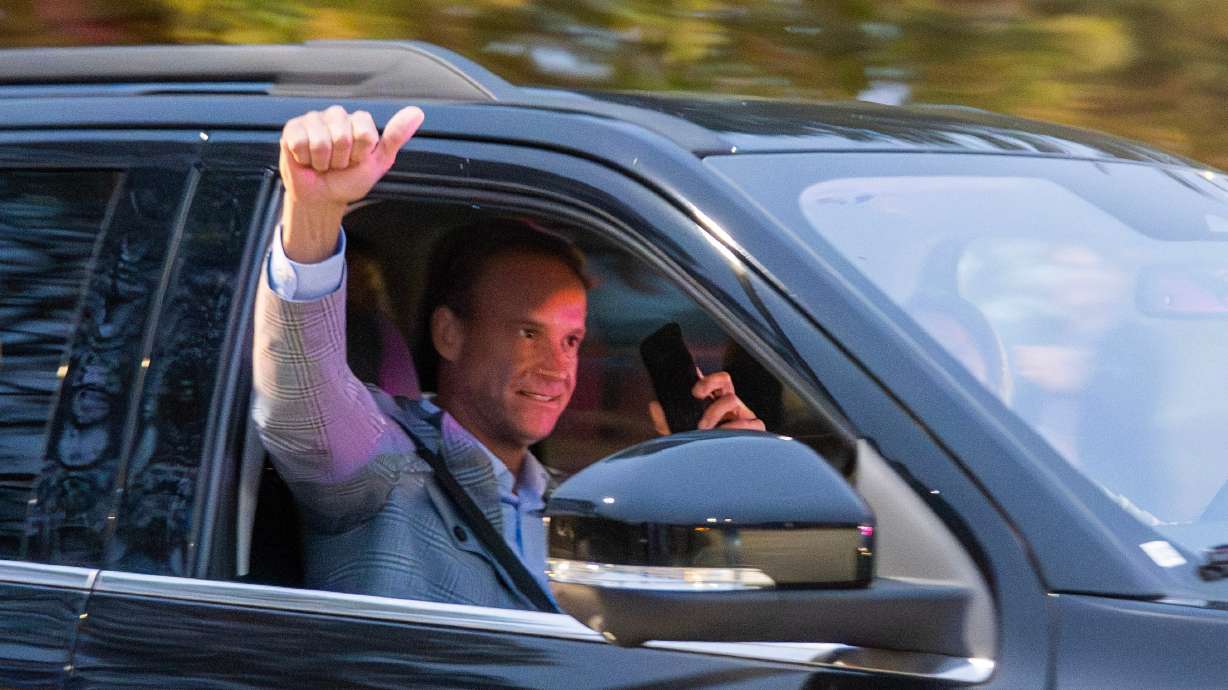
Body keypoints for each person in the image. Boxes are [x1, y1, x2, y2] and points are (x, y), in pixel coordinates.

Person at [252, 105, 764, 611]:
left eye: (571, 341)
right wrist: (315, 213)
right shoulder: (382, 463)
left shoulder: (576, 508)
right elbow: (301, 393)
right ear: (449, 334)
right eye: (529, 333)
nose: (557, 368)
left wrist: (723, 482)